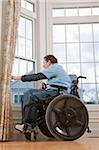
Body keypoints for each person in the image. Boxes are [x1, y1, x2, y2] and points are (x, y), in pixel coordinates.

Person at [12, 54, 72, 136]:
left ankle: (28, 125)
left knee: (29, 94)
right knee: (30, 97)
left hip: (57, 93)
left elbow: (38, 76)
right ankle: (30, 125)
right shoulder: (57, 69)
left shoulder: (55, 67)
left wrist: (17, 78)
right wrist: (45, 86)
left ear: (49, 62)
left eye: (44, 63)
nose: (43, 66)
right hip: (56, 91)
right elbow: (57, 82)